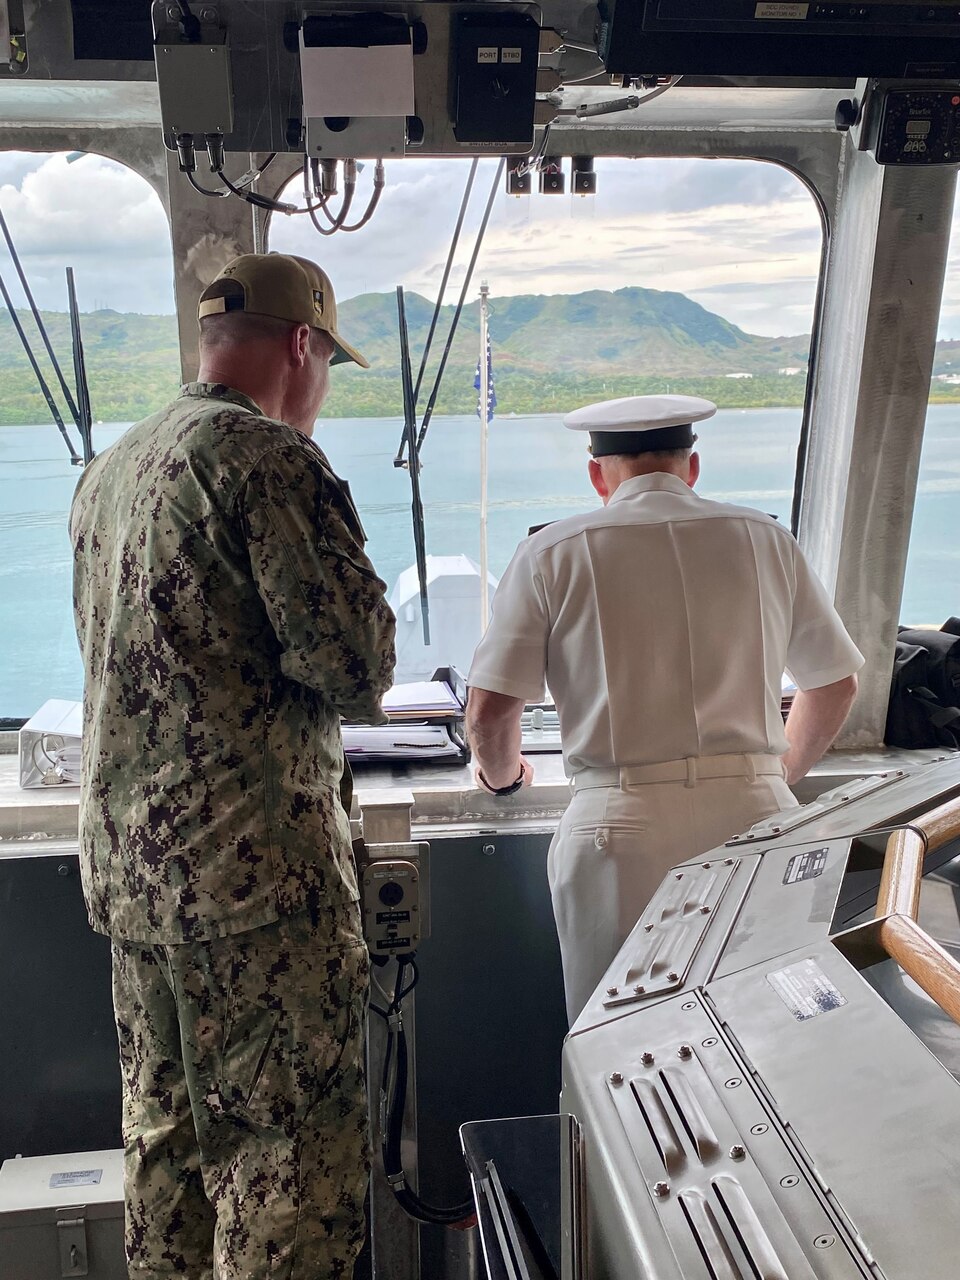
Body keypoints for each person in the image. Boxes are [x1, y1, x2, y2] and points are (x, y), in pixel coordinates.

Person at [69, 252, 396, 1279]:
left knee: (168, 1152)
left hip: (134, 885)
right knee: (286, 1166)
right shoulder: (268, 461)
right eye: (328, 363)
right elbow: (355, 665)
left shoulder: (113, 467)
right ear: (303, 345)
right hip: (256, 891)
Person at [466, 394, 862, 1023]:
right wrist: (770, 779)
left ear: (598, 476)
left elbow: (489, 710)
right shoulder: (766, 540)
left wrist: (502, 779)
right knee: (760, 1031)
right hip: (758, 823)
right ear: (692, 467)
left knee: (620, 1049)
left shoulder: (553, 552)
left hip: (620, 830)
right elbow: (835, 683)